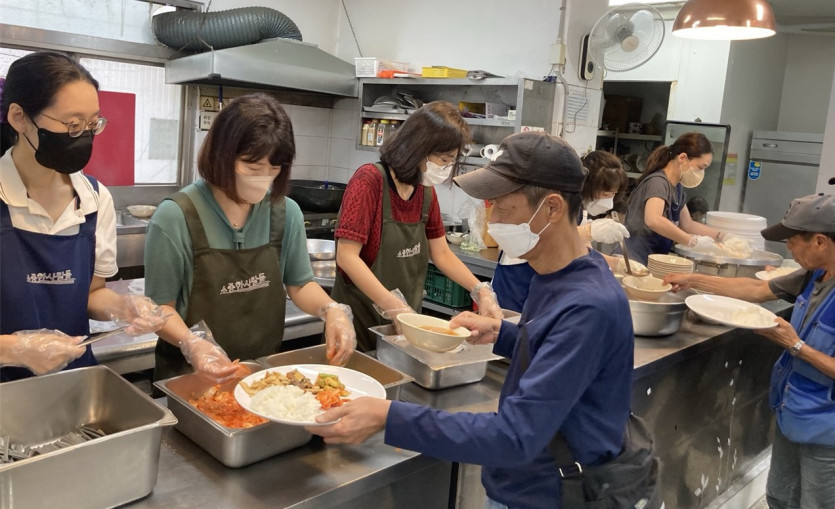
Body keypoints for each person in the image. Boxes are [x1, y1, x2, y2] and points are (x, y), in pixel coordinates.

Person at [309, 132, 643, 508]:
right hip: (527, 483)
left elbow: (514, 437)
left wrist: (390, 416)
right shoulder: (557, 275)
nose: (493, 220)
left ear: (551, 209)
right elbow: (553, 346)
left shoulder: (588, 305)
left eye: (502, 207)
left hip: (553, 495)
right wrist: (504, 334)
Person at [144, 93, 355, 383]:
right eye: (252, 168)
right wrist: (192, 344)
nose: (264, 178)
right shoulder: (176, 216)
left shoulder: (286, 212)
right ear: (221, 155)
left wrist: (331, 310)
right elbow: (160, 309)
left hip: (263, 378)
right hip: (190, 379)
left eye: (274, 169)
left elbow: (300, 284)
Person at [0, 52, 166, 381]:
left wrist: (123, 308)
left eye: (92, 124)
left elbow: (92, 293)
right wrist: (14, 349)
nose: (84, 136)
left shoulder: (93, 199)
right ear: (19, 118)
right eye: (72, 125)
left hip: (73, 383)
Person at [663, 193, 835, 508]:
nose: (789, 249)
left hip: (827, 433)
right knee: (781, 498)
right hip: (792, 413)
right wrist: (693, 280)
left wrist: (795, 345)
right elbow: (756, 288)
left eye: (793, 242)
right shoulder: (815, 275)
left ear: (820, 242)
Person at [331, 101, 502, 351]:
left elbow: (441, 253)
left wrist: (481, 291)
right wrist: (394, 307)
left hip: (406, 322)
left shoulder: (425, 191)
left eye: (451, 161)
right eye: (443, 159)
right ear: (418, 148)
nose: (445, 168)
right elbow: (347, 257)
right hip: (358, 321)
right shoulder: (369, 181)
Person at [492, 149, 628, 312]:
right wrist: (587, 231)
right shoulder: (552, 205)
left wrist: (617, 264)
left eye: (613, 194)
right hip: (517, 280)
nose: (609, 201)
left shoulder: (579, 210)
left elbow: (582, 251)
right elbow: (539, 237)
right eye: (605, 194)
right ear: (587, 187)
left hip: (540, 285)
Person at [624, 132, 727, 264]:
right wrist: (692, 242)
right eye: (700, 167)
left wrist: (722, 236)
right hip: (634, 260)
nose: (701, 173)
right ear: (682, 158)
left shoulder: (677, 187)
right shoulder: (658, 182)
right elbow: (653, 219)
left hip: (651, 260)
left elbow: (687, 224)